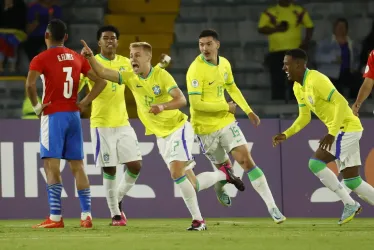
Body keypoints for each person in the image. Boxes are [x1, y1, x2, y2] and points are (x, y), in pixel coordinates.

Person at [81, 40, 245, 231]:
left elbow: (181, 99)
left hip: (178, 128)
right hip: (162, 136)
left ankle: (198, 221)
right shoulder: (130, 78)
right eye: (131, 55)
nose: (132, 59)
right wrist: (91, 57)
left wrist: (162, 106)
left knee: (176, 173)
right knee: (194, 184)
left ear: (148, 57)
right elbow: (102, 72)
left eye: (137, 55)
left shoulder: (162, 75)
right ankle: (223, 174)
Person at [186, 29, 285, 224]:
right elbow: (196, 104)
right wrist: (227, 106)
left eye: (208, 44)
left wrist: (248, 110)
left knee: (246, 161)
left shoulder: (224, 64)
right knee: (225, 171)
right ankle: (219, 187)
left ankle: (272, 207)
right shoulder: (195, 70)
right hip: (205, 129)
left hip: (225, 121)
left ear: (217, 44)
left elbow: (231, 88)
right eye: (201, 44)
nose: (204, 48)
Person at [78, 25, 171, 226]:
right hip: (101, 123)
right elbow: (76, 85)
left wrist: (161, 66)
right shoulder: (89, 63)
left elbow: (143, 76)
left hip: (123, 122)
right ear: (99, 42)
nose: (110, 41)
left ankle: (116, 198)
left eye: (113, 38)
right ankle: (115, 214)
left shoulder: (125, 62)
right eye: (106, 38)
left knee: (136, 165)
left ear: (117, 42)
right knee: (110, 169)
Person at [273, 48, 374, 225]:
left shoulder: (316, 79)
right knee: (352, 182)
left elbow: (341, 102)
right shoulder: (298, 86)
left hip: (346, 128)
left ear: (299, 64)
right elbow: (304, 117)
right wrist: (286, 134)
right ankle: (350, 202)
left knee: (315, 163)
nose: (284, 68)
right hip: (344, 129)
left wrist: (332, 133)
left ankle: (349, 204)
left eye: (287, 64)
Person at [25, 19, 107, 228]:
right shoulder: (77, 57)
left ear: (46, 36)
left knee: (51, 165)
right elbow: (101, 81)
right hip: (73, 116)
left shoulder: (40, 58)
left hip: (52, 115)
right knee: (78, 166)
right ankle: (86, 215)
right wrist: (84, 103)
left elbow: (30, 85)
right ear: (66, 38)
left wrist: (36, 108)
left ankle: (55, 218)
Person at [257, 0, 314, 101]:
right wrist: (276, 29)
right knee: (277, 79)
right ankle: (278, 104)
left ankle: (296, 103)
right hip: (276, 51)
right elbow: (261, 28)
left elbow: (309, 26)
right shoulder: (270, 12)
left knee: (295, 79)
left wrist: (306, 42)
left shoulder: (299, 11)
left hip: (294, 51)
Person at [315, 18, 360, 99]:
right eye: (339, 26)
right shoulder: (325, 42)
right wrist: (332, 59)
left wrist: (355, 67)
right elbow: (317, 57)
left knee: (359, 83)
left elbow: (356, 58)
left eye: (343, 27)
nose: (341, 29)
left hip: (348, 73)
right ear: (334, 28)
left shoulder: (352, 43)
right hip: (331, 73)